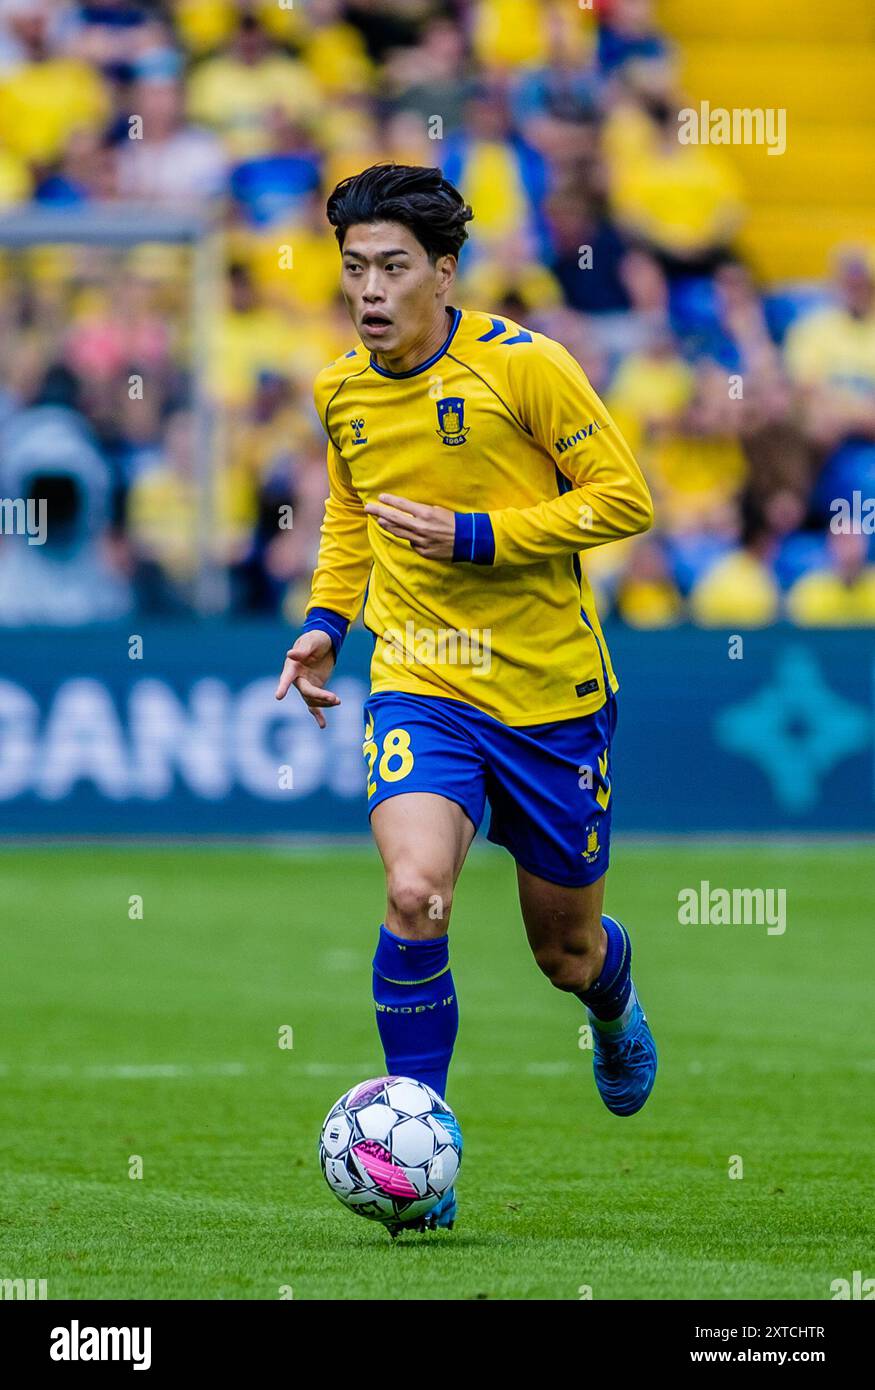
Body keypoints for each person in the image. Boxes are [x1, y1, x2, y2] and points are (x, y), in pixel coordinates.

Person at [275, 164, 657, 1234]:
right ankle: (420, 1155)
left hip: (548, 696)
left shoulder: (525, 368)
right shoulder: (339, 387)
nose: (370, 291)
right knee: (413, 895)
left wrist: (482, 535)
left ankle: (612, 1000)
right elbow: (352, 513)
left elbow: (623, 498)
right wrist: (324, 624)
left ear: (443, 272)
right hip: (418, 680)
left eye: (393, 267)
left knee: (562, 953)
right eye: (354, 269)